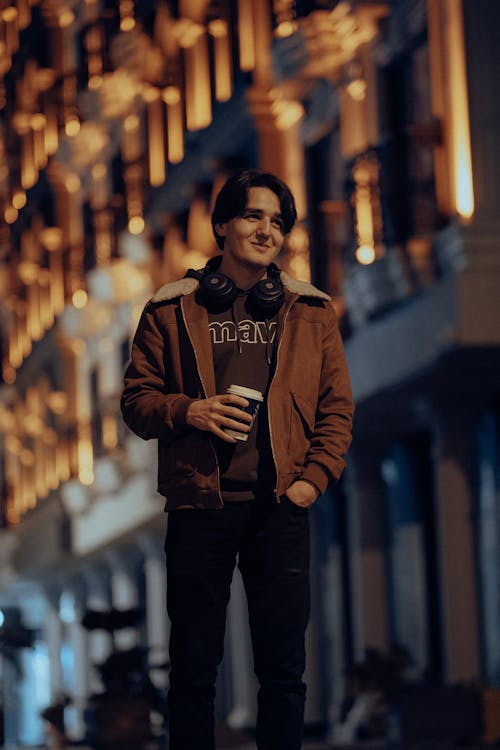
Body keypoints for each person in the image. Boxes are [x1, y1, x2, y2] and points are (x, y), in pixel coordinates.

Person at [121, 170, 354, 750]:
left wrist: (311, 484)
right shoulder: (170, 310)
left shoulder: (312, 310)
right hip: (200, 503)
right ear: (222, 225)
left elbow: (336, 410)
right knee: (194, 671)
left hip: (281, 507)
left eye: (277, 221)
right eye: (254, 216)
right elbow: (136, 401)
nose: (266, 230)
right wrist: (189, 412)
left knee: (283, 671)